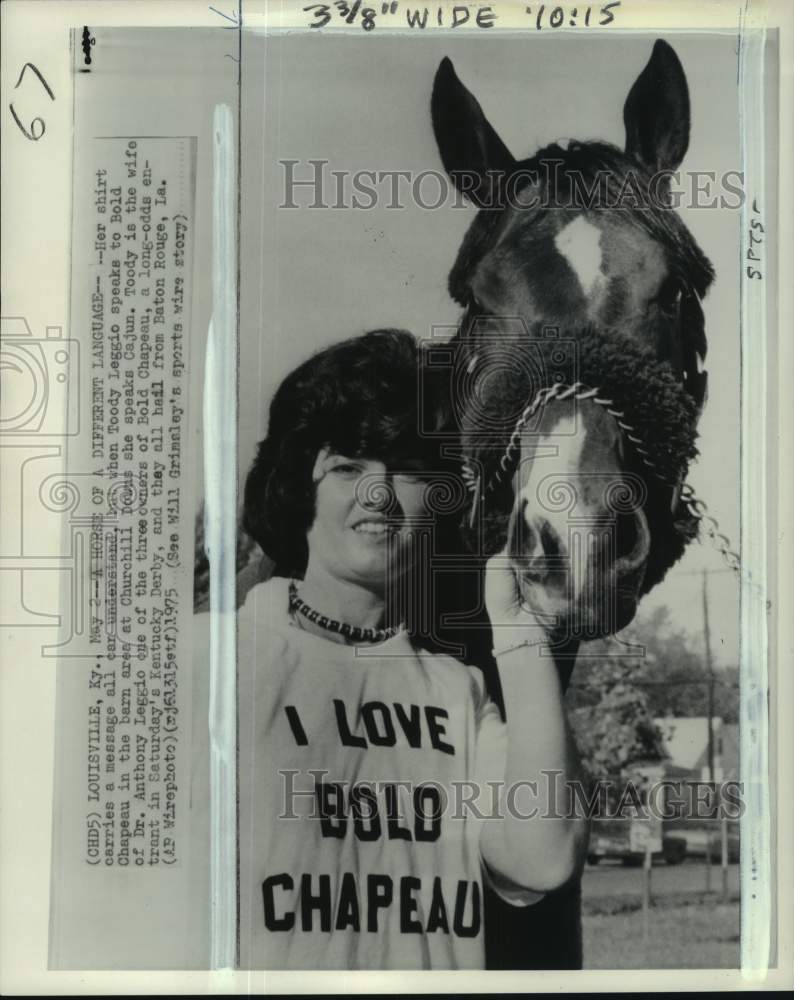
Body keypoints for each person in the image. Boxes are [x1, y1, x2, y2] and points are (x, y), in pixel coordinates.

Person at [234, 328, 587, 969]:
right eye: (347, 466)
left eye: (409, 470)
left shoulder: (460, 692)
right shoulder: (213, 664)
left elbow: (544, 857)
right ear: (296, 486)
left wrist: (518, 632)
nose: (378, 494)